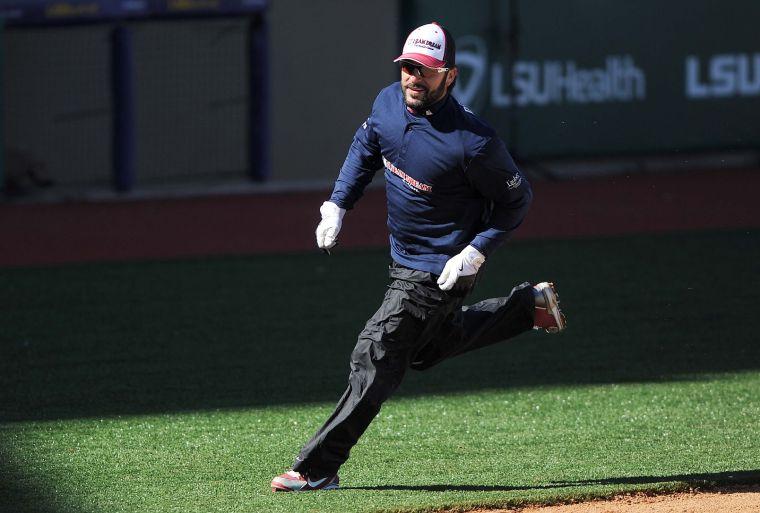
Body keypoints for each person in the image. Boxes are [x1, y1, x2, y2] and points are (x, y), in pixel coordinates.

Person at [271, 22, 566, 492]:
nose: (413, 78)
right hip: (402, 257)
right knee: (426, 350)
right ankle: (526, 308)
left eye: (425, 71)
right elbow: (366, 145)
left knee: (377, 351)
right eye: (408, 67)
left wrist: (475, 251)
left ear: (449, 75)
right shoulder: (388, 103)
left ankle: (317, 467)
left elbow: (518, 201)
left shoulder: (474, 142)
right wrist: (338, 203)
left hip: (441, 267)